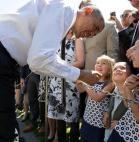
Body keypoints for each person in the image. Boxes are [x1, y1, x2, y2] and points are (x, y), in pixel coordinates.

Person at [0, 0, 104, 141]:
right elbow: (38, 60)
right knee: (5, 127)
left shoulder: (62, 19)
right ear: (87, 11)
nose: (92, 34)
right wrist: (81, 74)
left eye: (96, 34)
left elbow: (40, 61)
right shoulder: (63, 10)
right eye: (96, 28)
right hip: (3, 56)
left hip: (7, 62)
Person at [107, 39, 139, 142]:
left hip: (134, 135)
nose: (130, 52)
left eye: (135, 48)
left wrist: (127, 90)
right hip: (124, 129)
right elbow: (128, 105)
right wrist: (127, 90)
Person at [76, 55, 115, 142]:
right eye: (97, 63)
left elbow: (97, 98)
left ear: (109, 70)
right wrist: (78, 81)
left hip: (99, 122)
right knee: (84, 138)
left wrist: (85, 84)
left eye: (103, 63)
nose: (99, 65)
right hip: (88, 117)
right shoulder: (93, 79)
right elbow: (80, 90)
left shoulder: (110, 84)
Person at [104, 62, 132, 141]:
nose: (118, 70)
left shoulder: (133, 94)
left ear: (130, 74)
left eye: (122, 68)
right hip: (110, 134)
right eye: (115, 69)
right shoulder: (115, 90)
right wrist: (107, 112)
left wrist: (122, 125)